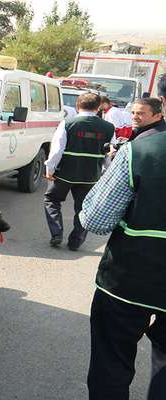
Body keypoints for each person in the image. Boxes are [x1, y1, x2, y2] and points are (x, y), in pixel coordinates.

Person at [80, 74, 166, 400]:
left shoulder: (139, 151)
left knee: (111, 364)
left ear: (163, 104)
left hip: (128, 281)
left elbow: (96, 220)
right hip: (132, 280)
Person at [43, 93, 114, 251]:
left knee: (51, 200)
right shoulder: (109, 128)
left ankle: (56, 234)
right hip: (90, 176)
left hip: (65, 173)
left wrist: (50, 169)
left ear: (77, 105)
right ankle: (76, 241)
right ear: (98, 107)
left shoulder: (68, 123)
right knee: (83, 208)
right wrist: (106, 175)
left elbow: (56, 150)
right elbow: (108, 154)